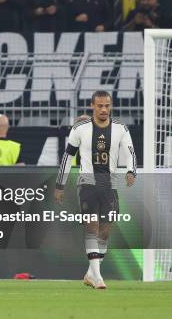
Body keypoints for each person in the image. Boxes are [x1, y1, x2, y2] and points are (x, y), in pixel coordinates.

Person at [55, 90, 137, 289]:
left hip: (110, 183)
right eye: (100, 105)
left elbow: (130, 152)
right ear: (92, 106)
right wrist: (60, 184)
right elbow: (67, 157)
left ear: (111, 106)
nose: (104, 109)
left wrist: (131, 171)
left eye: (107, 106)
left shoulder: (121, 129)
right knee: (92, 226)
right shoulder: (81, 128)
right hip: (87, 182)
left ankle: (91, 273)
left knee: (105, 231)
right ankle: (98, 277)